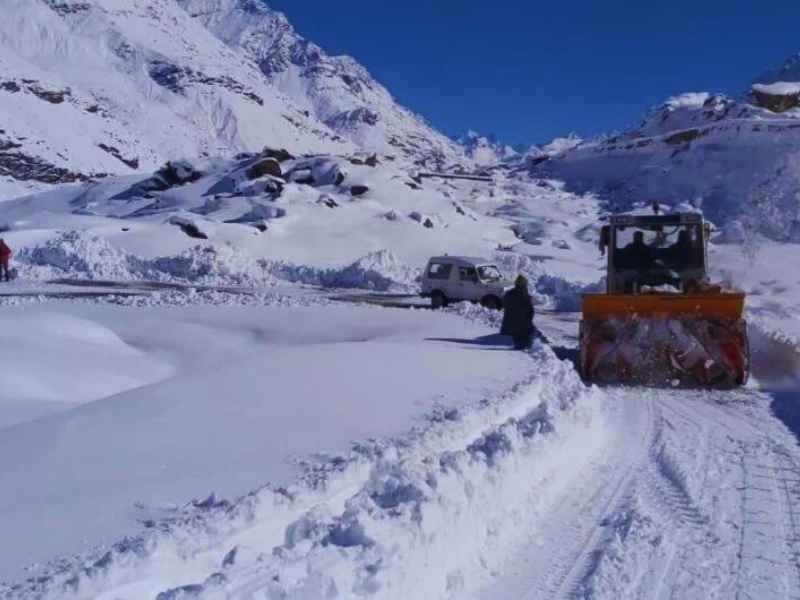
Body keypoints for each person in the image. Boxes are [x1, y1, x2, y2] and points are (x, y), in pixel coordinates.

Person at [501, 275, 535, 350]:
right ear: (524, 285)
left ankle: (519, 347)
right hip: (523, 324)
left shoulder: (509, 294)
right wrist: (528, 319)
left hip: (511, 323)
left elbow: (504, 304)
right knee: (527, 340)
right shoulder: (525, 296)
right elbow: (531, 311)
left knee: (517, 340)